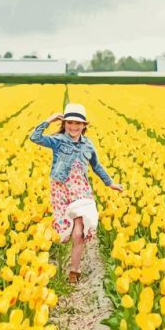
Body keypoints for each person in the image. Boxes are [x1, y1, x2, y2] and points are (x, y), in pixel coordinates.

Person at [29, 103, 123, 284]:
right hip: (61, 190)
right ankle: (63, 245)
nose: (74, 127)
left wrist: (110, 183)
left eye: (78, 124)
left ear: (84, 126)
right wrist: (49, 120)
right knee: (64, 232)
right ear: (64, 124)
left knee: (78, 232)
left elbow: (96, 166)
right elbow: (35, 137)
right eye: (70, 123)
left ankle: (74, 270)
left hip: (81, 190)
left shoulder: (88, 145)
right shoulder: (58, 141)